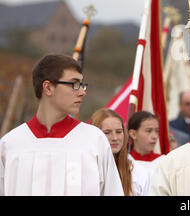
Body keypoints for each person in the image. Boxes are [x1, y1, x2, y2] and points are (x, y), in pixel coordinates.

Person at [0, 54, 123, 195]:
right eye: (74, 84)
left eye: (82, 85)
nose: (82, 92)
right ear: (48, 88)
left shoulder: (94, 140)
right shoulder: (10, 145)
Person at [90, 108, 150, 196]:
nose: (114, 138)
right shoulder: (86, 168)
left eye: (118, 132)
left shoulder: (139, 172)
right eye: (107, 132)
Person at [128, 111, 165, 181]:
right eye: (148, 131)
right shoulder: (124, 161)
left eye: (156, 131)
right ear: (133, 134)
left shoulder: (164, 162)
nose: (154, 136)